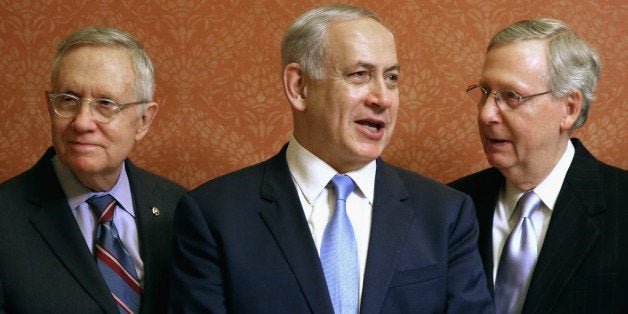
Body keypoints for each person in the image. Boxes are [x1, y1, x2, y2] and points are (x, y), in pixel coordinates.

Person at [168, 4, 492, 313]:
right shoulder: (214, 216)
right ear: (299, 87)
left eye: (391, 78)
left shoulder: (445, 213)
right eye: (360, 74)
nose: (382, 98)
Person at [0, 27, 187, 314]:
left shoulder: (181, 209)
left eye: (106, 104)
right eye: (68, 100)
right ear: (50, 108)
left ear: (144, 121)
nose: (82, 122)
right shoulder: (6, 216)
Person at [450, 18, 627, 313]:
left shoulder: (621, 204)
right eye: (484, 93)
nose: (486, 115)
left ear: (569, 108)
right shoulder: (453, 205)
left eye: (511, 96)